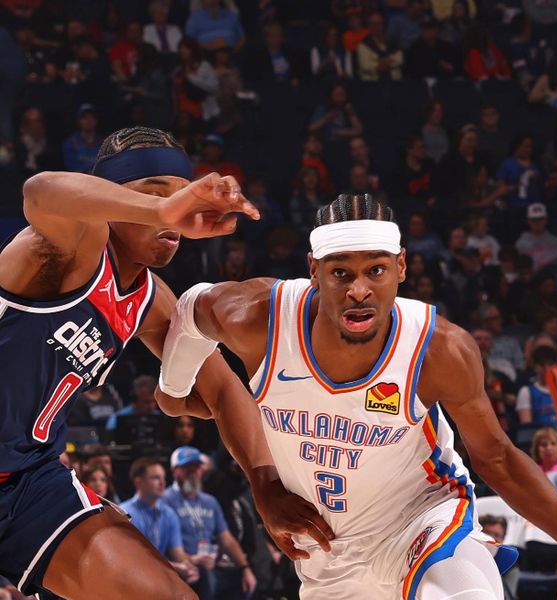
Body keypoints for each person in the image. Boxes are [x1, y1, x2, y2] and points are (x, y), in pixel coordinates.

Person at [158, 193, 557, 598]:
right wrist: (173, 391)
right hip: (327, 551)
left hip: (423, 519)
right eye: (341, 273)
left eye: (376, 270)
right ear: (313, 271)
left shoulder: (439, 349)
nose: (359, 291)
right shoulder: (261, 319)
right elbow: (192, 305)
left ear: (401, 267)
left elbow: (499, 460)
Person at [0, 126, 329, 599]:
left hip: (29, 481)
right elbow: (40, 191)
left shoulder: (151, 299)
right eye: (154, 195)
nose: (176, 212)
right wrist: (159, 209)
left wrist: (264, 485)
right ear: (110, 200)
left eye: (183, 197)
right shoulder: (74, 243)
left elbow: (220, 389)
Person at [163, 447, 256, 600]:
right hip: (180, 568)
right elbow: (166, 545)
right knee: (205, 579)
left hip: (209, 566)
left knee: (242, 580)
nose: (193, 472)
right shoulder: (165, 501)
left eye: (197, 467)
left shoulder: (209, 501)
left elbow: (226, 538)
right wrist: (191, 560)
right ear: (174, 471)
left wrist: (245, 568)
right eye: (187, 467)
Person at [121, 457, 199, 584]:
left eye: (163, 477)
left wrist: (189, 566)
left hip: (160, 577)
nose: (162, 483)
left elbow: (178, 553)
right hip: (134, 578)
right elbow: (135, 559)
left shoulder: (169, 514)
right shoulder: (125, 513)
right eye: (156, 478)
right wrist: (175, 567)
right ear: (138, 482)